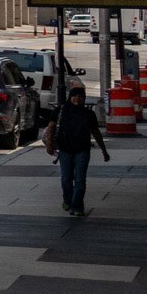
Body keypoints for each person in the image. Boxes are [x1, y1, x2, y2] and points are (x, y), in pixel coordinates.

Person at [47, 80, 113, 217]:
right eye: (74, 96)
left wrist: (104, 150)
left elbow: (96, 132)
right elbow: (51, 127)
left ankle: (77, 206)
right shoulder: (61, 111)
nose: (77, 98)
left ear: (84, 98)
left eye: (80, 96)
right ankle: (68, 200)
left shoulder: (88, 114)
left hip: (82, 149)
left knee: (80, 180)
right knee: (66, 179)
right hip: (65, 149)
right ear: (70, 97)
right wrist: (49, 144)